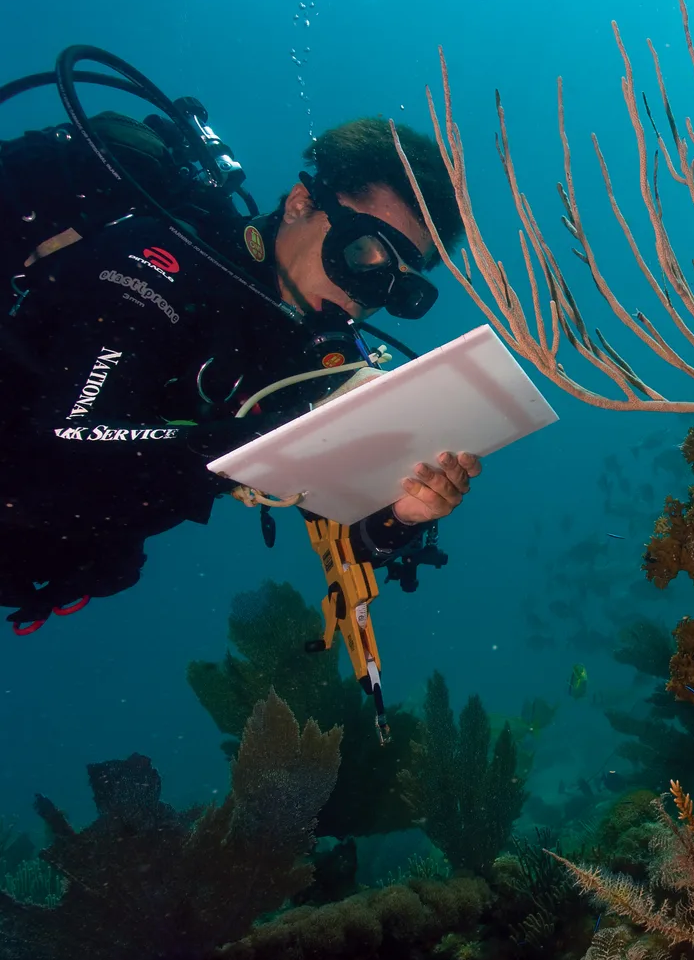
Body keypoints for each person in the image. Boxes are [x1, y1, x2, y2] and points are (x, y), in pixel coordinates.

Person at [0, 116, 481, 631]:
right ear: (301, 204)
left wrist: (403, 514)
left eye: (398, 286)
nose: (369, 292)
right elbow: (52, 457)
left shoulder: (316, 360)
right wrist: (279, 437)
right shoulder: (160, 266)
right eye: (365, 252)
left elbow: (344, 532)